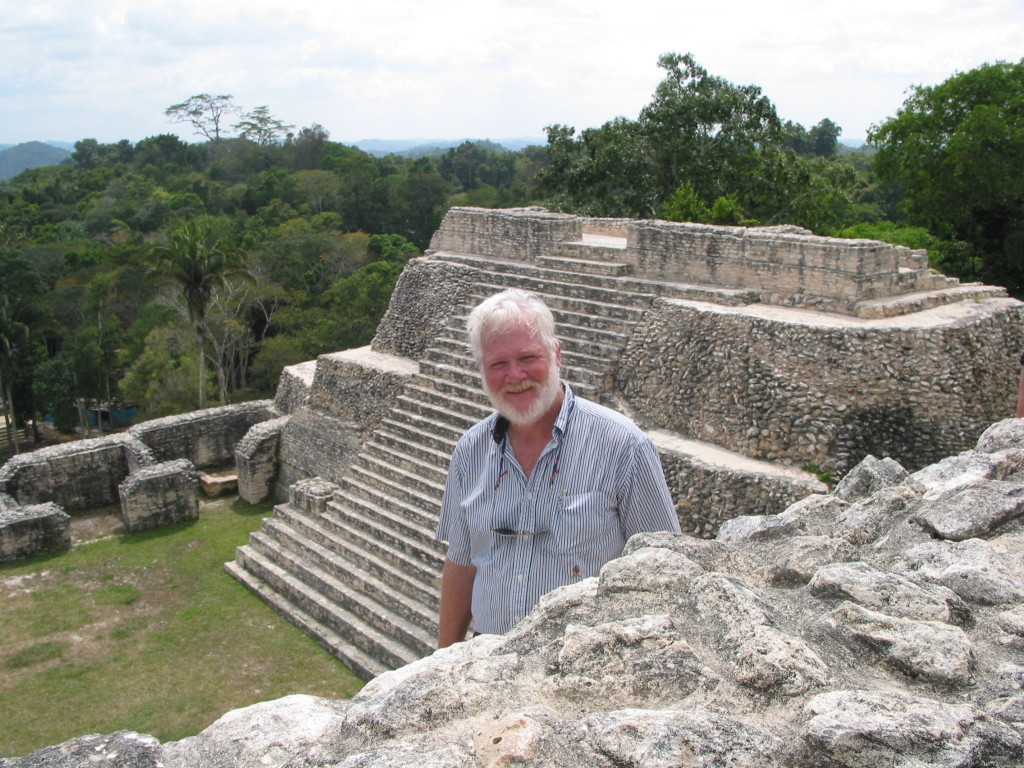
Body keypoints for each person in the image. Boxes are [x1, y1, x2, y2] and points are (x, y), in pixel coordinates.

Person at [435, 288, 681, 647]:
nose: (515, 375)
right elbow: (461, 563)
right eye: (498, 364)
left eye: (528, 357)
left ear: (557, 354)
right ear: (482, 369)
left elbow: (662, 564)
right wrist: (443, 660)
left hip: (584, 663)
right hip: (487, 660)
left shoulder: (623, 445)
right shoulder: (470, 450)